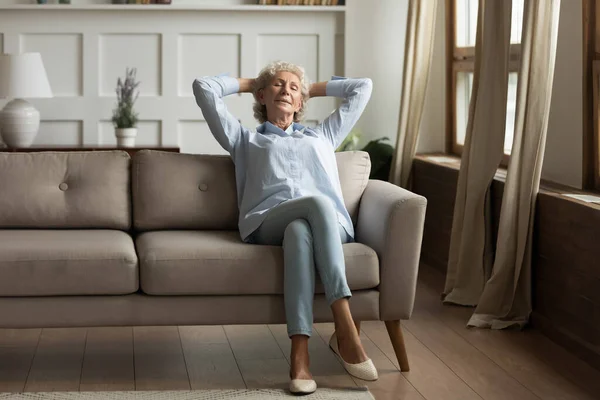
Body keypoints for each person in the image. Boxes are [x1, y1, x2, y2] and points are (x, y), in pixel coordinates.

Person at [192, 61, 376, 395]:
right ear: (262, 96)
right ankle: (344, 322)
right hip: (266, 221)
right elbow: (204, 87)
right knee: (315, 204)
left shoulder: (323, 135)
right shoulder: (244, 139)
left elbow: (362, 86)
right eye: (277, 85)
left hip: (326, 229)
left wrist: (309, 88)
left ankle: (300, 355)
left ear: (302, 102)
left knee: (299, 231)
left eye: (293, 88)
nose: (286, 91)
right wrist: (252, 83)